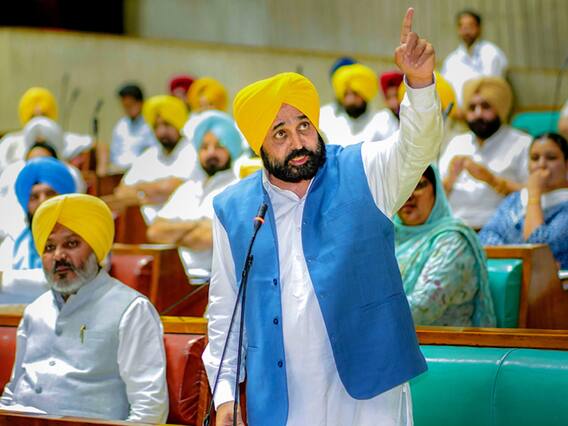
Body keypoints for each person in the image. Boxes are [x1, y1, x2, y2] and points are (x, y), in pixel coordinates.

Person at [203, 8, 442, 426]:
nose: (298, 141)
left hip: (371, 392)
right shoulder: (233, 210)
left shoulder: (363, 169)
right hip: (283, 397)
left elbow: (417, 147)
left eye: (303, 125)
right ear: (258, 147)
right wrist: (224, 395)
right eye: (280, 133)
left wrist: (420, 85)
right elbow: (226, 311)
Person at [0, 194, 168, 423]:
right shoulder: (35, 310)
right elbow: (13, 393)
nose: (58, 256)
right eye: (49, 247)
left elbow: (149, 410)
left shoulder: (132, 309)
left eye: (71, 244)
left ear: (95, 250)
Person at [395, 165, 496, 326]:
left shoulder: (453, 241)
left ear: (437, 192)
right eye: (402, 188)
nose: (408, 195)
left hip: (442, 339)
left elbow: (421, 309)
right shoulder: (389, 236)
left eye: (418, 185)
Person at [147, 113, 241, 282]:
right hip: (174, 278)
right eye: (204, 147)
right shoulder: (188, 189)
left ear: (232, 148)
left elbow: (205, 238)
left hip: (210, 282)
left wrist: (174, 234)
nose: (210, 153)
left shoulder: (237, 189)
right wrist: (197, 225)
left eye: (219, 146)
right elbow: (154, 231)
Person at [440, 76, 531, 229]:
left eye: (486, 106)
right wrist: (450, 179)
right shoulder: (457, 142)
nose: (478, 114)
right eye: (472, 108)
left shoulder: (522, 143)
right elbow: (435, 195)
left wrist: (491, 180)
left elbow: (534, 195)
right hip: (454, 227)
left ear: (500, 109)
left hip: (500, 229)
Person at [480, 133, 568, 269]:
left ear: (566, 164)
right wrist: (515, 262)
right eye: (535, 158)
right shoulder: (515, 199)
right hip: (507, 275)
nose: (541, 165)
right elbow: (486, 236)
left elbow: (539, 247)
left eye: (551, 158)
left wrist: (534, 194)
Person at [0, 157, 76, 304]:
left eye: (50, 194)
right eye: (34, 197)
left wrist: (6, 280)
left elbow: (66, 280)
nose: (43, 201)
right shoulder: (16, 241)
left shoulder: (85, 237)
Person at [114, 95, 201, 224]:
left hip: (179, 225)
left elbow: (172, 188)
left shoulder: (192, 151)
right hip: (143, 226)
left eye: (167, 125)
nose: (161, 132)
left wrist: (139, 189)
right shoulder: (149, 155)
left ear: (178, 124)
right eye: (156, 126)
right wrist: (153, 193)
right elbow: (121, 192)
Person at [0, 87, 93, 172]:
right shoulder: (11, 142)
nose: (38, 123)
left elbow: (92, 143)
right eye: (33, 117)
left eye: (43, 115)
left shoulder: (63, 140)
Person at [319, 63, 398, 146]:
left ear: (364, 95)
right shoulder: (331, 122)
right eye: (346, 94)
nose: (350, 100)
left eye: (355, 94)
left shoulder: (383, 120)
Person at [441, 10, 508, 109]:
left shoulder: (492, 53)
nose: (466, 30)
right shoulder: (451, 60)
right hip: (456, 114)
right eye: (462, 26)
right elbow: (444, 90)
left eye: (470, 26)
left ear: (479, 28)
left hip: (484, 114)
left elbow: (493, 90)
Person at [110, 83, 157, 172]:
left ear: (141, 103)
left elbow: (154, 151)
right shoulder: (121, 125)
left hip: (144, 170)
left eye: (130, 105)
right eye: (125, 106)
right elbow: (114, 154)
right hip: (119, 171)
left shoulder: (151, 124)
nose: (128, 109)